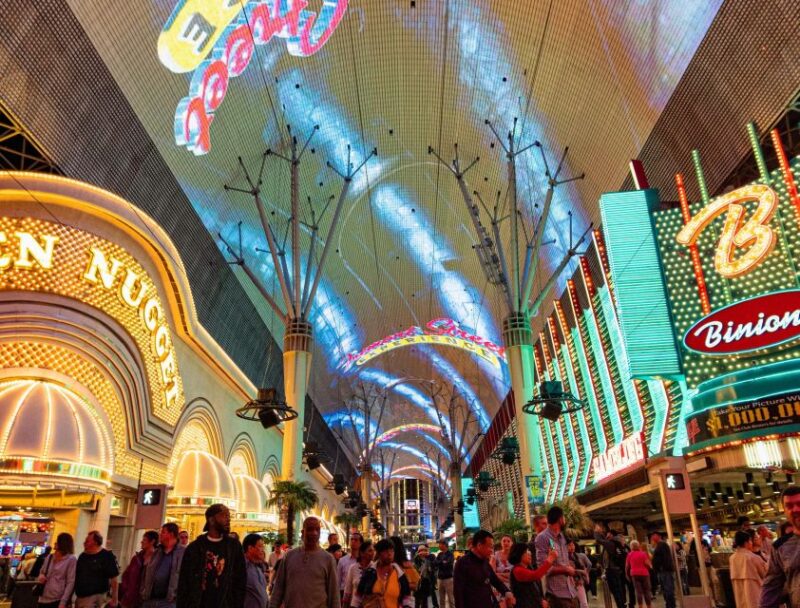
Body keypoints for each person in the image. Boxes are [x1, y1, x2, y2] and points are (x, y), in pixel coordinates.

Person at [177, 504, 245, 608]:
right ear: (211, 520)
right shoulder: (195, 548)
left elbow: (240, 580)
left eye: (229, 516)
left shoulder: (234, 547)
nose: (228, 519)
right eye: (224, 515)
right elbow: (184, 583)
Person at [268, 516, 339, 608]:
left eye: (317, 530)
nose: (314, 533)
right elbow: (278, 588)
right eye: (310, 529)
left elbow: (334, 595)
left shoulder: (328, 559)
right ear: (302, 532)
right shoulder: (289, 556)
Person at [761, 486, 800, 607]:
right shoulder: (780, 547)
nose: (795, 509)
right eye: (789, 506)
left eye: (799, 503)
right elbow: (771, 587)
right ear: (784, 510)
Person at [453, 530, 514, 608]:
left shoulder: (484, 561)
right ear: (479, 545)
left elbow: (494, 579)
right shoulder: (462, 563)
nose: (492, 550)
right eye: (490, 547)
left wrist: (506, 592)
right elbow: (458, 593)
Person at [535, 507, 577, 608]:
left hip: (571, 591)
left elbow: (564, 561)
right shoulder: (542, 538)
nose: (565, 521)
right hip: (556, 595)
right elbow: (543, 568)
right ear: (560, 519)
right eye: (564, 518)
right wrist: (566, 569)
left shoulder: (562, 537)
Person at [352, 538, 413, 608]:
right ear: (379, 553)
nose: (389, 554)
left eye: (392, 551)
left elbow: (407, 598)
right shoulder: (370, 573)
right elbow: (358, 596)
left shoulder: (400, 575)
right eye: (386, 551)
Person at [142, 523, 186, 608]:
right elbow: (147, 572)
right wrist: (143, 590)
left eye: (163, 532)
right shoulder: (157, 551)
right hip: (150, 600)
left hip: (169, 602)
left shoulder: (183, 553)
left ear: (171, 534)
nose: (160, 535)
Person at [74, 531, 120, 608]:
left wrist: (115, 599)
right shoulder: (82, 556)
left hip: (95, 597)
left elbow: (114, 579)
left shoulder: (106, 556)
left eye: (87, 541)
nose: (84, 543)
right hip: (80, 597)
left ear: (95, 542)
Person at [508, 542, 555, 608]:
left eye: (529, 551)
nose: (530, 553)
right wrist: (550, 559)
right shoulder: (517, 570)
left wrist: (541, 600)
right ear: (519, 554)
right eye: (526, 551)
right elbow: (535, 575)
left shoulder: (529, 568)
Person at [36, 533, 76, 608]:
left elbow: (70, 581)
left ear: (63, 544)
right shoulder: (50, 557)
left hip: (57, 598)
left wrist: (63, 601)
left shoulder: (71, 559)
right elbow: (42, 571)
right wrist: (41, 576)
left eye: (57, 541)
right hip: (43, 596)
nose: (55, 543)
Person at [120, 530, 157, 608]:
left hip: (146, 601)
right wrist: (127, 590)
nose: (141, 542)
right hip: (130, 599)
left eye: (144, 540)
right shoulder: (136, 558)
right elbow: (126, 575)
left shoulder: (157, 559)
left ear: (152, 541)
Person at [728, 530, 765, 608]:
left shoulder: (732, 558)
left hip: (739, 591)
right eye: (750, 541)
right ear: (746, 543)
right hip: (755, 589)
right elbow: (764, 573)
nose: (751, 543)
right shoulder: (752, 557)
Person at [593, 526, 627, 608]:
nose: (606, 535)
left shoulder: (611, 544)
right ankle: (622, 605)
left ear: (611, 535)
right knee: (618, 591)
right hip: (617, 570)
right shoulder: (615, 543)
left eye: (607, 534)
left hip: (612, 571)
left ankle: (621, 606)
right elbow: (603, 540)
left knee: (616, 591)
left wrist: (596, 532)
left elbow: (599, 540)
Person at [343, 541, 374, 608]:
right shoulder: (353, 568)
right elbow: (348, 590)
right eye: (370, 551)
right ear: (362, 553)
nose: (373, 553)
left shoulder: (375, 568)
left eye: (373, 550)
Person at [242, 534, 268, 608]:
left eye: (263, 546)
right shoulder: (241, 567)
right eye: (260, 546)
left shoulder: (257, 567)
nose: (263, 550)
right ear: (250, 548)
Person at [649, 533, 674, 608]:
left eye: (653, 537)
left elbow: (663, 558)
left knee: (668, 589)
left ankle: (670, 605)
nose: (652, 539)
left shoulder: (661, 545)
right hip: (663, 570)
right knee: (666, 589)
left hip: (664, 570)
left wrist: (661, 567)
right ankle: (669, 605)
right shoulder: (660, 545)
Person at [624, 540, 652, 608]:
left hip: (634, 574)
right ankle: (649, 606)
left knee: (638, 592)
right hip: (644, 574)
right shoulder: (643, 553)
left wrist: (626, 574)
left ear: (631, 547)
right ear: (638, 546)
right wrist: (650, 567)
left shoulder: (629, 554)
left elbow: (627, 566)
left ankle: (640, 606)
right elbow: (648, 564)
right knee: (647, 591)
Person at [566, 541, 590, 608]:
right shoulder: (564, 558)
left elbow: (586, 567)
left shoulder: (577, 556)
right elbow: (571, 570)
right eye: (569, 545)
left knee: (584, 604)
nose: (572, 547)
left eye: (573, 545)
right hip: (569, 583)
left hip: (579, 583)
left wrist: (583, 575)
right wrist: (582, 571)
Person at [493, 535, 514, 608]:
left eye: (508, 541)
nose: (506, 543)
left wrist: (499, 574)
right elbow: (492, 573)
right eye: (504, 541)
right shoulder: (495, 555)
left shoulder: (514, 556)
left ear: (512, 543)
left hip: (513, 585)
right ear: (501, 543)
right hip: (499, 585)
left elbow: (514, 573)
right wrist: (507, 578)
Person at [434, 540, 454, 608]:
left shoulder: (450, 554)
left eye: (440, 544)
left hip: (448, 579)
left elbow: (447, 564)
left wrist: (440, 563)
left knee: (451, 598)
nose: (439, 546)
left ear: (444, 545)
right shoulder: (440, 554)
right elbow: (435, 563)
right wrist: (442, 562)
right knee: (441, 599)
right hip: (440, 579)